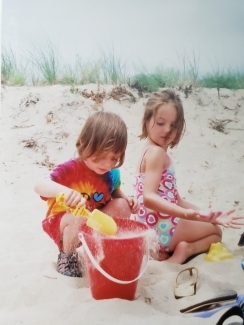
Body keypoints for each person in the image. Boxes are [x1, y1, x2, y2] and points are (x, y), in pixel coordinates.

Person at [133, 89, 244, 264]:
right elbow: (148, 198)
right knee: (216, 232)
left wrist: (206, 215)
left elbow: (175, 199)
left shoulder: (148, 149)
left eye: (174, 125)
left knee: (213, 224)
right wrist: (187, 214)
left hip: (149, 229)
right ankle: (183, 251)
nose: (167, 130)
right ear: (147, 120)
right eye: (161, 123)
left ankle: (165, 251)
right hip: (162, 230)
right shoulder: (156, 153)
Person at [34, 111, 139, 277]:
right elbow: (39, 185)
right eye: (101, 156)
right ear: (84, 144)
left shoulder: (111, 174)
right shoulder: (71, 169)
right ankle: (67, 257)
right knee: (78, 217)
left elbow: (114, 190)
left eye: (114, 157)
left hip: (93, 219)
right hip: (64, 222)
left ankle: (104, 247)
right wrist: (67, 191)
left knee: (122, 206)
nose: (107, 164)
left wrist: (128, 200)